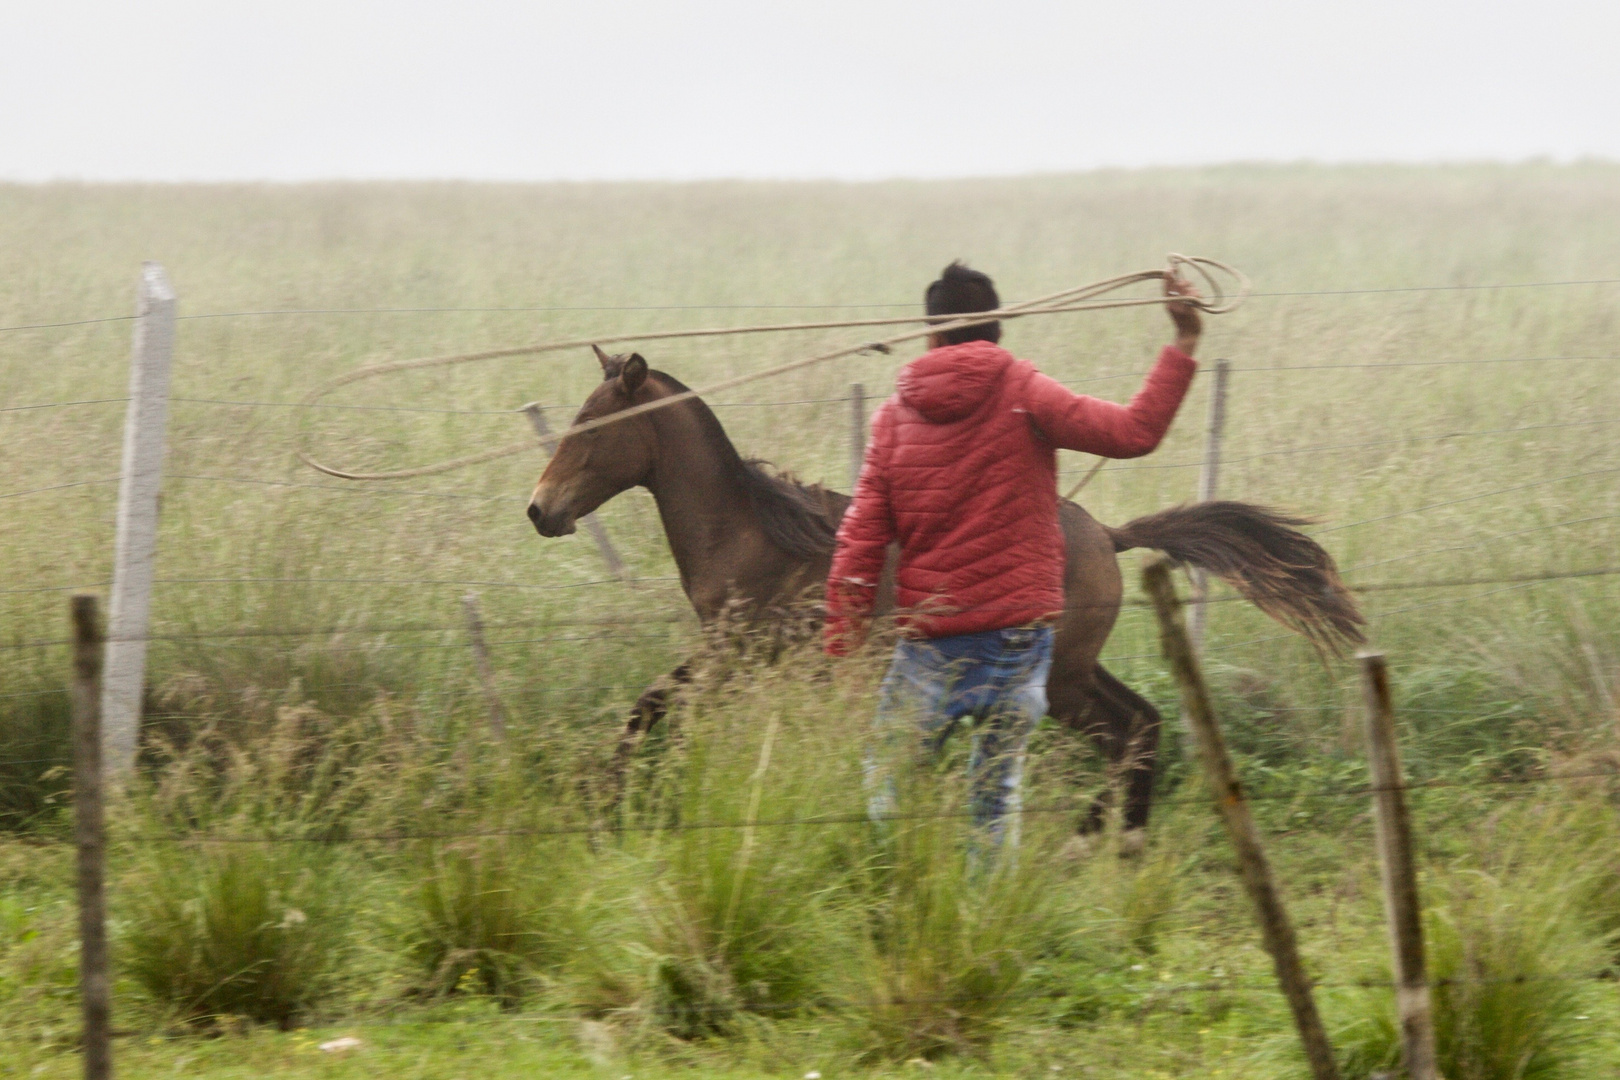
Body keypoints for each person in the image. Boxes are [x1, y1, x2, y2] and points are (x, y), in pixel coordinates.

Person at [824, 261, 1203, 845]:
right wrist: (1184, 338)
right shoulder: (1026, 393)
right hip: (1019, 639)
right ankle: (992, 918)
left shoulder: (892, 421)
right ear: (997, 330)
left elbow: (860, 544)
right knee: (995, 801)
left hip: (932, 645)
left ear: (929, 333)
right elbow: (1134, 433)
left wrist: (845, 649)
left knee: (888, 783)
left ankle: (898, 900)